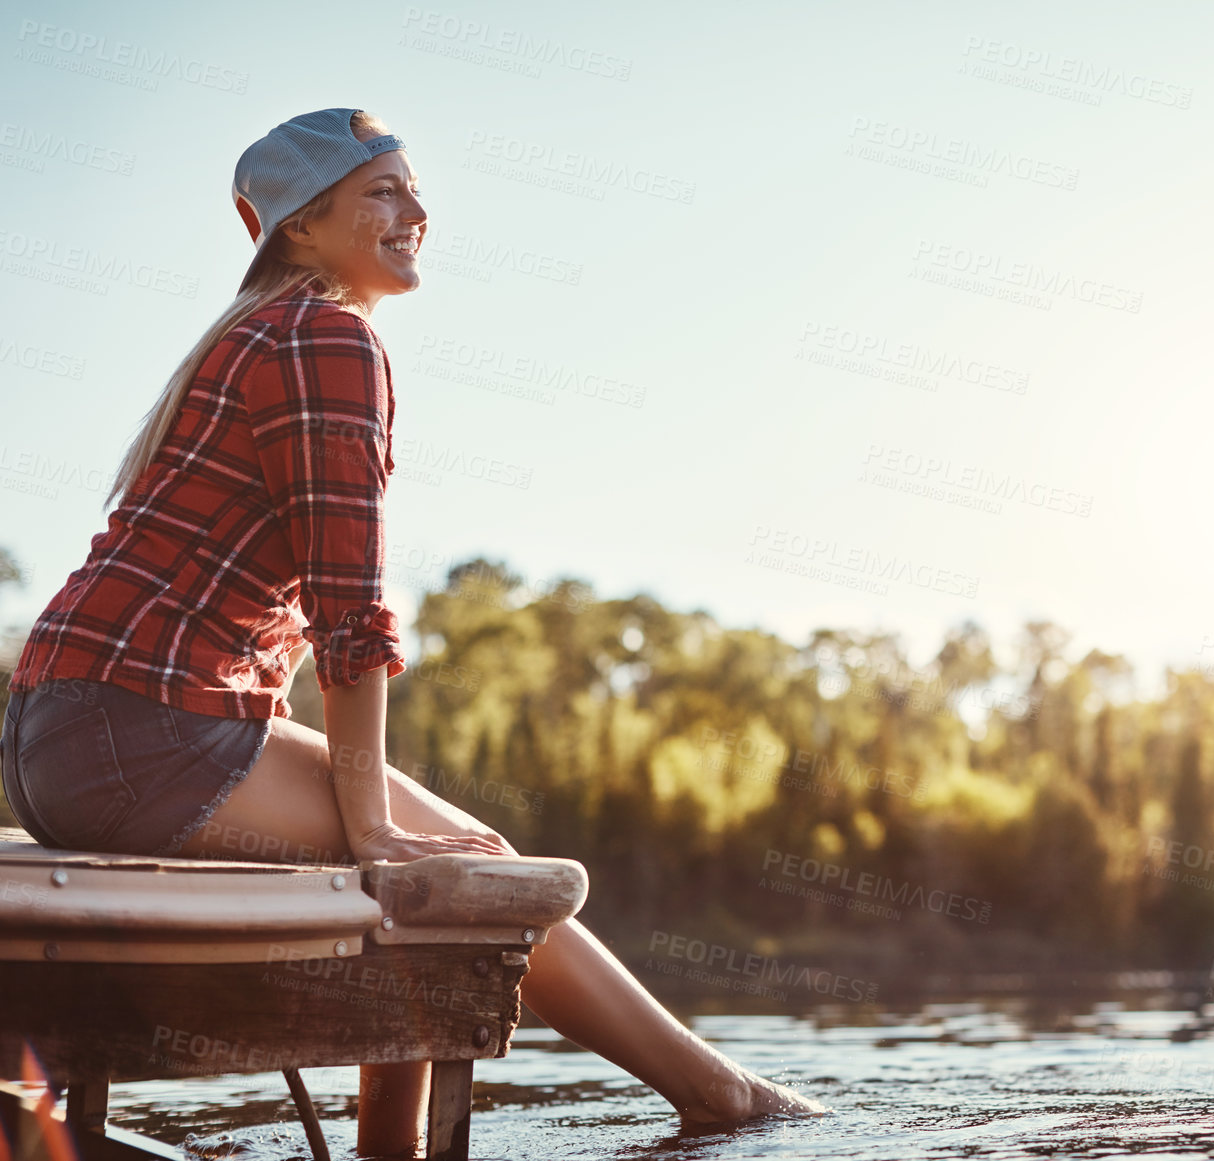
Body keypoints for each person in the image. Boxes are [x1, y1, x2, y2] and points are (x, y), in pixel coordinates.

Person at [0, 107, 825, 1156]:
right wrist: (366, 819)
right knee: (469, 879)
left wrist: (362, 812)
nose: (417, 212)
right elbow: (349, 604)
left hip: (58, 739)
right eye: (383, 192)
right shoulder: (326, 338)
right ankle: (719, 1098)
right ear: (300, 226)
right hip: (139, 735)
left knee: (462, 860)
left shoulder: (261, 333)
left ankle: (431, 1138)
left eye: (413, 190)